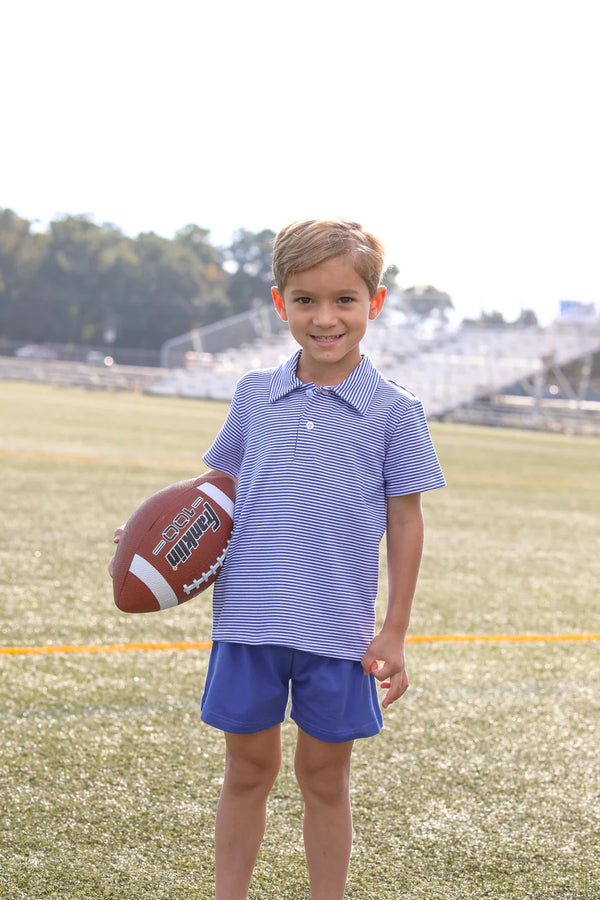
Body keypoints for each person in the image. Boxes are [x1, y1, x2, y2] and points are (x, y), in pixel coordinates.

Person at [110, 219, 445, 900]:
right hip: (249, 622)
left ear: (374, 305)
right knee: (247, 770)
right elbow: (218, 493)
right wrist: (144, 529)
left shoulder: (394, 412)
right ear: (279, 302)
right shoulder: (253, 396)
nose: (325, 318)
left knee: (325, 779)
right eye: (306, 301)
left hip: (338, 632)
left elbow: (406, 521)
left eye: (345, 300)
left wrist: (395, 630)